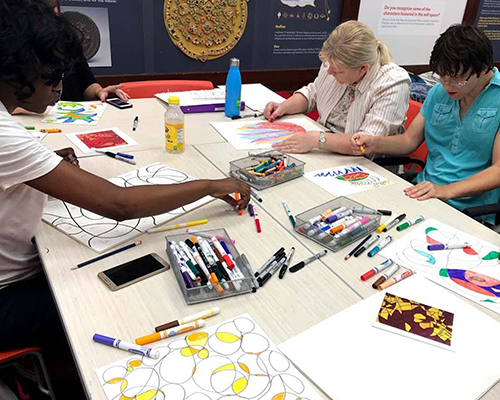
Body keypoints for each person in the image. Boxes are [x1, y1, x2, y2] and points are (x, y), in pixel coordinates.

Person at [0, 1, 249, 398]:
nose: (60, 88)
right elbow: (120, 206)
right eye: (52, 76)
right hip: (9, 296)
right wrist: (210, 185)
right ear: (18, 71)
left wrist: (45, 162)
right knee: (105, 301)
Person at [351, 24, 500, 225]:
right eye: (441, 76)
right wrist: (375, 142)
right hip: (423, 194)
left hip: (469, 211)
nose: (446, 85)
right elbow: (409, 140)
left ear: (483, 69)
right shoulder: (439, 93)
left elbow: (498, 170)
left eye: (456, 80)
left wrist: (445, 191)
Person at [266, 20, 410, 157]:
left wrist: (316, 139)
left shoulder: (393, 83)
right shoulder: (335, 62)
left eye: (337, 71)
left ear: (363, 69)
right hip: (324, 146)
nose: (329, 72)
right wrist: (283, 107)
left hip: (365, 164)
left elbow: (363, 144)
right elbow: (313, 93)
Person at [41, 0, 130, 102]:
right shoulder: (23, 54)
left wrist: (100, 92)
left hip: (72, 114)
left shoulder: (69, 43)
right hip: (36, 117)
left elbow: (88, 85)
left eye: (55, 17)